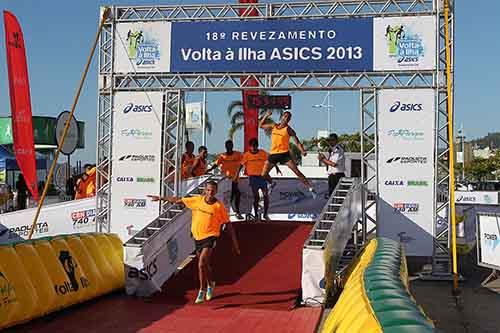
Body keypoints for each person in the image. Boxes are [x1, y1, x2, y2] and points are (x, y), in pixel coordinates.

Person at [147, 180, 240, 304]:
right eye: (208, 190)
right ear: (205, 190)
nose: (210, 192)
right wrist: (161, 198)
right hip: (198, 238)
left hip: (211, 237)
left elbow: (228, 225)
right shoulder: (197, 200)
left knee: (201, 263)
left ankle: (202, 290)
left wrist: (235, 243)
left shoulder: (218, 207)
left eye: (213, 191)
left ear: (216, 191)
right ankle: (211, 283)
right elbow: (178, 200)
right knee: (205, 265)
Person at [259, 110, 317, 198]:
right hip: (273, 154)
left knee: (297, 171)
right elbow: (260, 126)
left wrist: (302, 150)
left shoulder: (289, 130)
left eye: (288, 118)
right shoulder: (274, 125)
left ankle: (311, 188)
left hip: (284, 154)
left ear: (289, 120)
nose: (286, 118)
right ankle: (271, 183)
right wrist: (266, 115)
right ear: (282, 117)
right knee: (263, 174)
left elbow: (297, 142)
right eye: (285, 116)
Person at [235, 138, 281, 221]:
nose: (254, 148)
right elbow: (240, 165)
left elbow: (271, 159)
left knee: (266, 196)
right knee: (256, 197)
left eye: (255, 146)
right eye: (252, 146)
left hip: (262, 177)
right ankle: (256, 214)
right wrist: (236, 175)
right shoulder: (247, 155)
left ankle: (265, 215)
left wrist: (277, 168)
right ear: (250, 147)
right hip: (253, 178)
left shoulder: (262, 153)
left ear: (257, 146)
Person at [207, 140, 244, 219]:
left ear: (232, 146)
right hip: (225, 179)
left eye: (230, 145)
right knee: (226, 195)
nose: (229, 147)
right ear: (225, 146)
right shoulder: (222, 156)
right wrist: (208, 170)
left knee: (237, 193)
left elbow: (243, 162)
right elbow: (216, 164)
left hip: (234, 178)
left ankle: (237, 211)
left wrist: (238, 172)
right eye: (227, 146)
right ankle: (224, 211)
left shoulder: (238, 154)